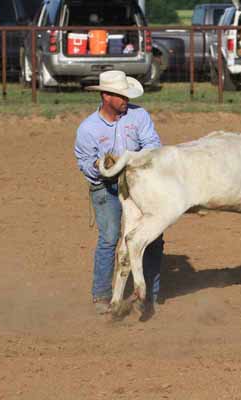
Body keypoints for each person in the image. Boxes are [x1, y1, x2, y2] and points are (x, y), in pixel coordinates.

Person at [74, 70, 164, 315]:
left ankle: (151, 295)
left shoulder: (139, 115)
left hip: (139, 185)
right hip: (106, 187)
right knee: (110, 237)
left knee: (153, 237)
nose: (125, 100)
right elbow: (86, 164)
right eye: (120, 95)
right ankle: (101, 295)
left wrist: (129, 162)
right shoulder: (88, 129)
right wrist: (101, 166)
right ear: (106, 96)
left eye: (126, 95)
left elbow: (154, 146)